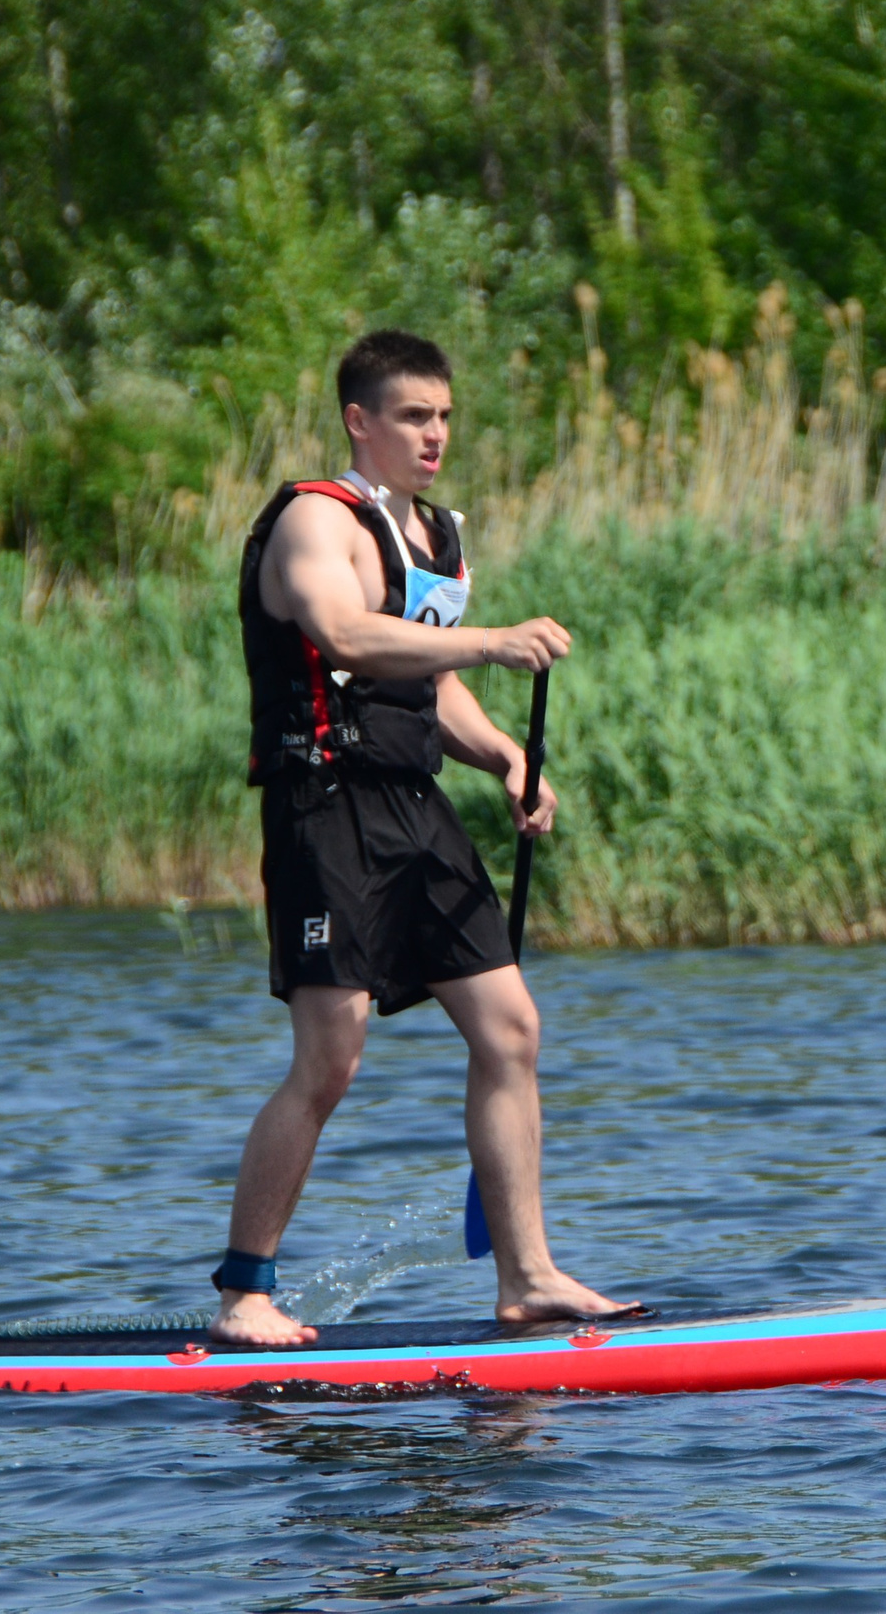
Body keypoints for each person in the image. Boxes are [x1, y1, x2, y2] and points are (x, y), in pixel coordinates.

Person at [211, 328, 634, 1347]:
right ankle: (244, 1293)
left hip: (415, 804)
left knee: (511, 1028)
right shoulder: (315, 520)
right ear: (360, 420)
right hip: (324, 806)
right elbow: (347, 636)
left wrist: (506, 758)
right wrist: (494, 642)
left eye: (443, 416)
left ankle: (527, 1278)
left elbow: (429, 681)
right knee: (332, 1055)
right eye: (412, 416)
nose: (435, 434)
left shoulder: (433, 534)